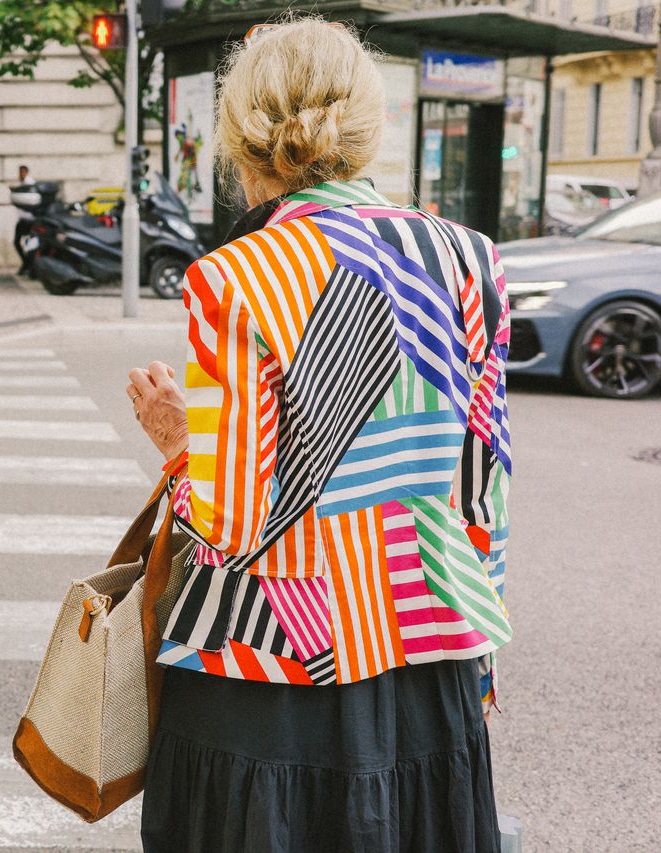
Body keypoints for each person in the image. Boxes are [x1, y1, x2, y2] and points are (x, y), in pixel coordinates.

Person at [126, 19, 511, 852]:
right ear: (370, 126)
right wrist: (477, 658)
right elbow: (486, 492)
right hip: (429, 656)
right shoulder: (472, 259)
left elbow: (232, 525)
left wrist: (172, 442)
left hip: (269, 681)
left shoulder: (233, 278)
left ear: (240, 142)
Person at [12, 164, 36, 276]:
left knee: (29, 244)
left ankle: (29, 265)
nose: (20, 174)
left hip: (29, 220)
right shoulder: (21, 184)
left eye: (22, 172)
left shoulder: (29, 184)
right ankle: (26, 263)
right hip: (22, 219)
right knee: (17, 242)